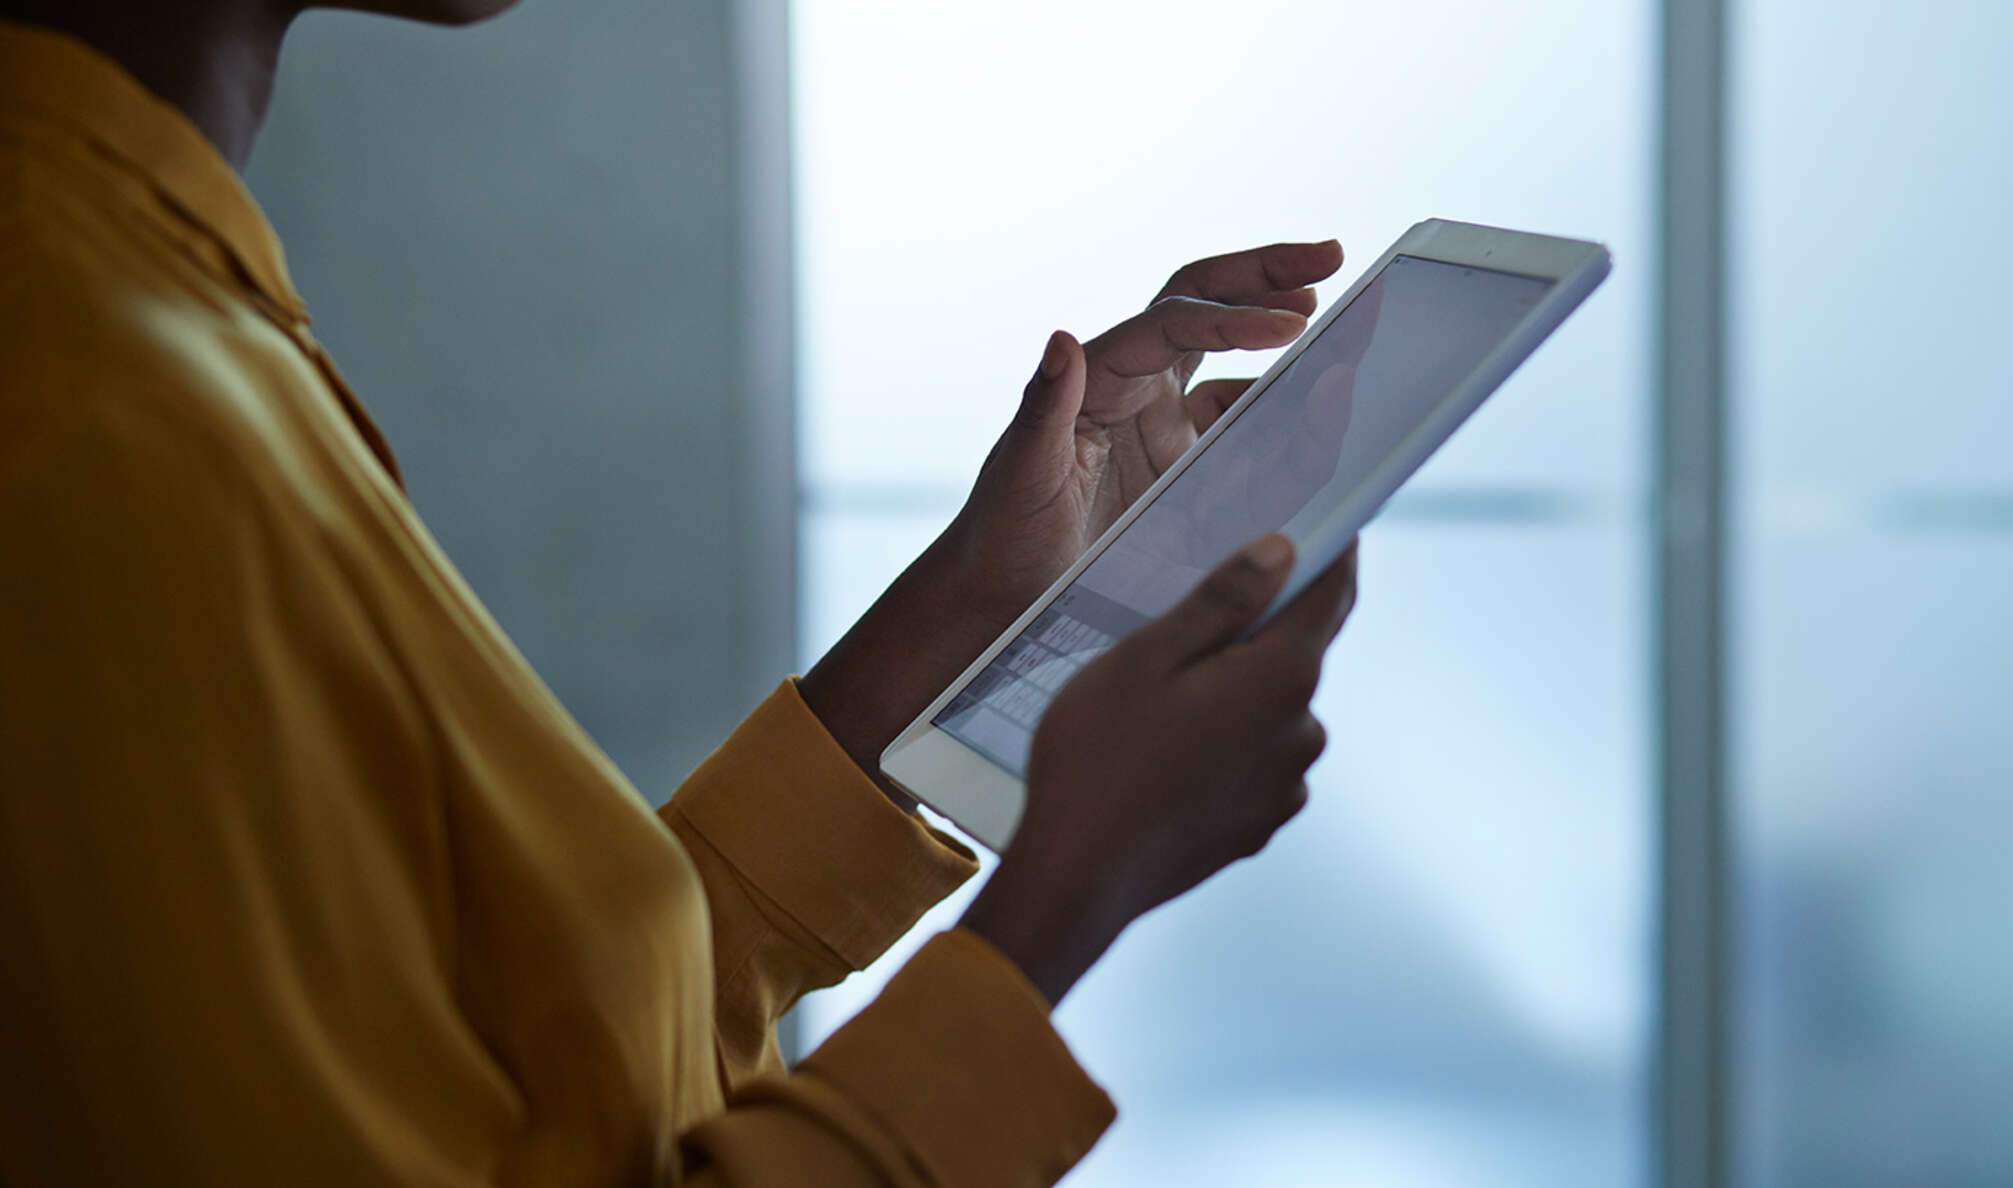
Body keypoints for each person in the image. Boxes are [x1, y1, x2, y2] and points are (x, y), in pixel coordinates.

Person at [0, 1, 1360, 1183]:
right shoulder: (90, 403)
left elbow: (546, 1079)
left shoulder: (148, 293)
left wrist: (977, 615)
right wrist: (1069, 889)